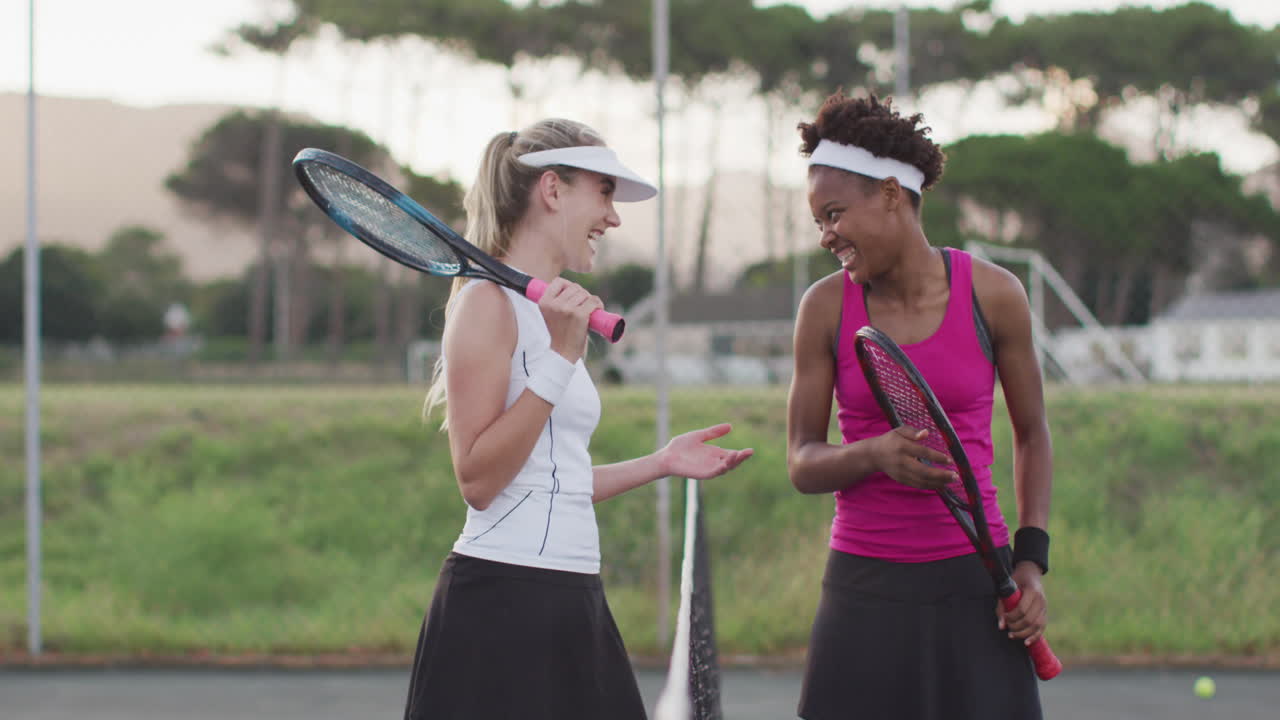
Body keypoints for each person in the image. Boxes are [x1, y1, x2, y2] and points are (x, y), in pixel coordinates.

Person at [404, 118, 754, 720]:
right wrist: (562, 358)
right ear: (552, 190)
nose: (613, 217)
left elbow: (548, 481)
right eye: (605, 192)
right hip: (502, 604)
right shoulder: (486, 305)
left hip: (571, 596)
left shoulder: (548, 308)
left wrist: (662, 461)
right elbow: (481, 482)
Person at [786, 92, 1053, 719]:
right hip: (863, 587)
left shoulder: (995, 294)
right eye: (818, 222)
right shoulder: (823, 308)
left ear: (889, 192)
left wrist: (1031, 564)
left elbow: (1033, 434)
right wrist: (875, 454)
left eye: (834, 214)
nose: (827, 235)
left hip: (978, 581)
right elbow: (801, 461)